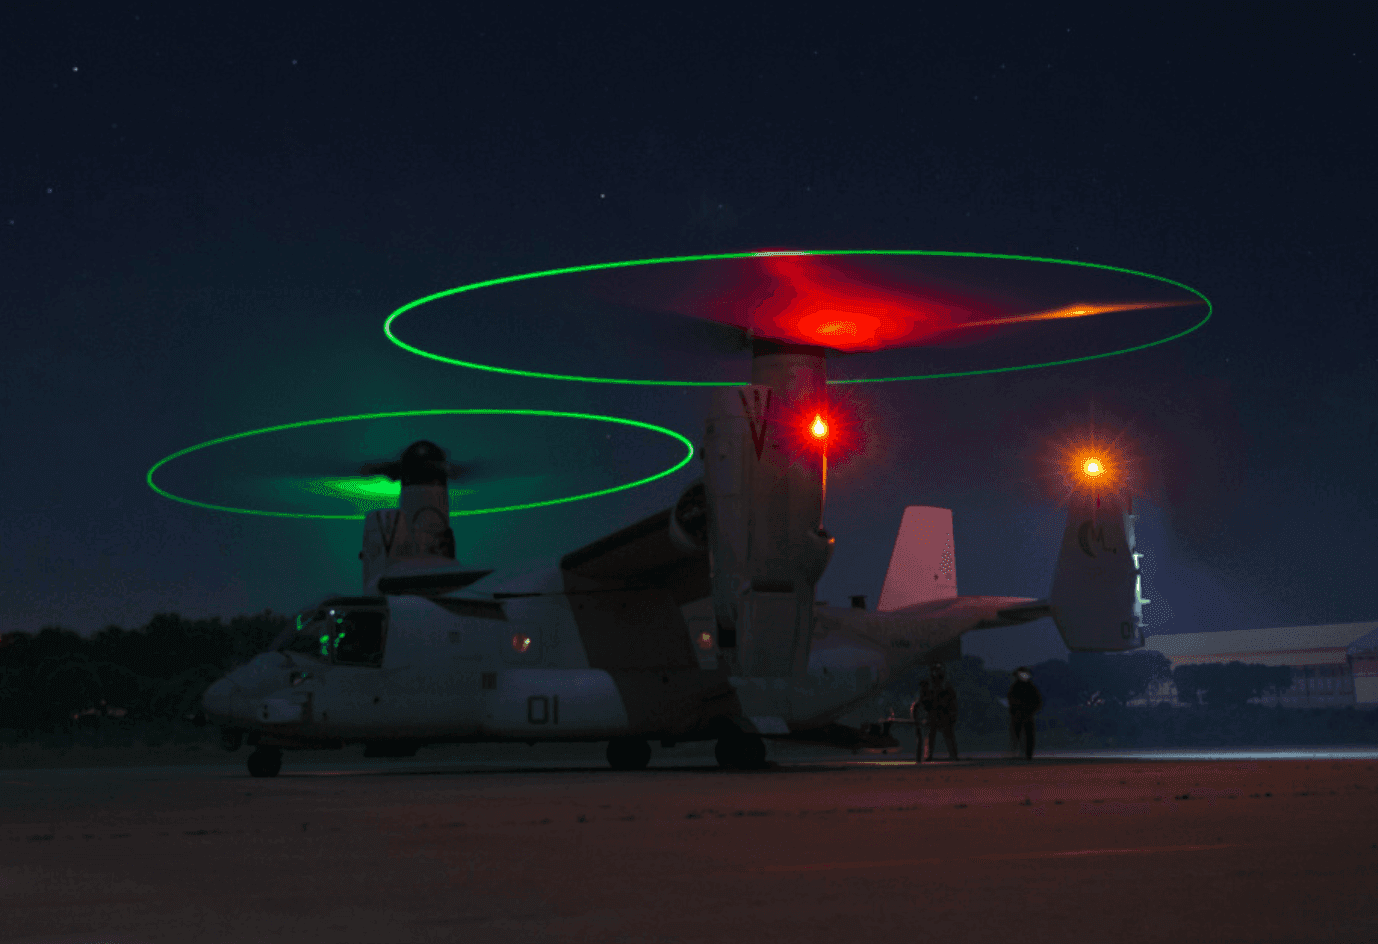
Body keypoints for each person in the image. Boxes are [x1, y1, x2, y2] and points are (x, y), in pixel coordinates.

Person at [925, 663, 960, 761]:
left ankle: (953, 754)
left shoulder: (946, 686)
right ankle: (929, 755)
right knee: (931, 735)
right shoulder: (931, 686)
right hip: (934, 712)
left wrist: (952, 713)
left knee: (948, 735)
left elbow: (952, 701)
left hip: (944, 713)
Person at [1008, 666, 1044, 760]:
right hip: (1018, 715)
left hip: (1027, 715)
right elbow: (1011, 700)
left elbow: (1038, 701)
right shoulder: (1015, 687)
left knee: (1028, 735)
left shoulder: (1031, 688)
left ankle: (1027, 754)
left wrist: (1031, 710)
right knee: (1017, 735)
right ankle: (1018, 753)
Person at [910, 680, 933, 763]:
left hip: (923, 721)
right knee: (922, 740)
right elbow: (915, 710)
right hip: (921, 722)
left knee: (924, 739)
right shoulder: (921, 698)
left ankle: (923, 757)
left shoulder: (924, 698)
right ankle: (921, 757)